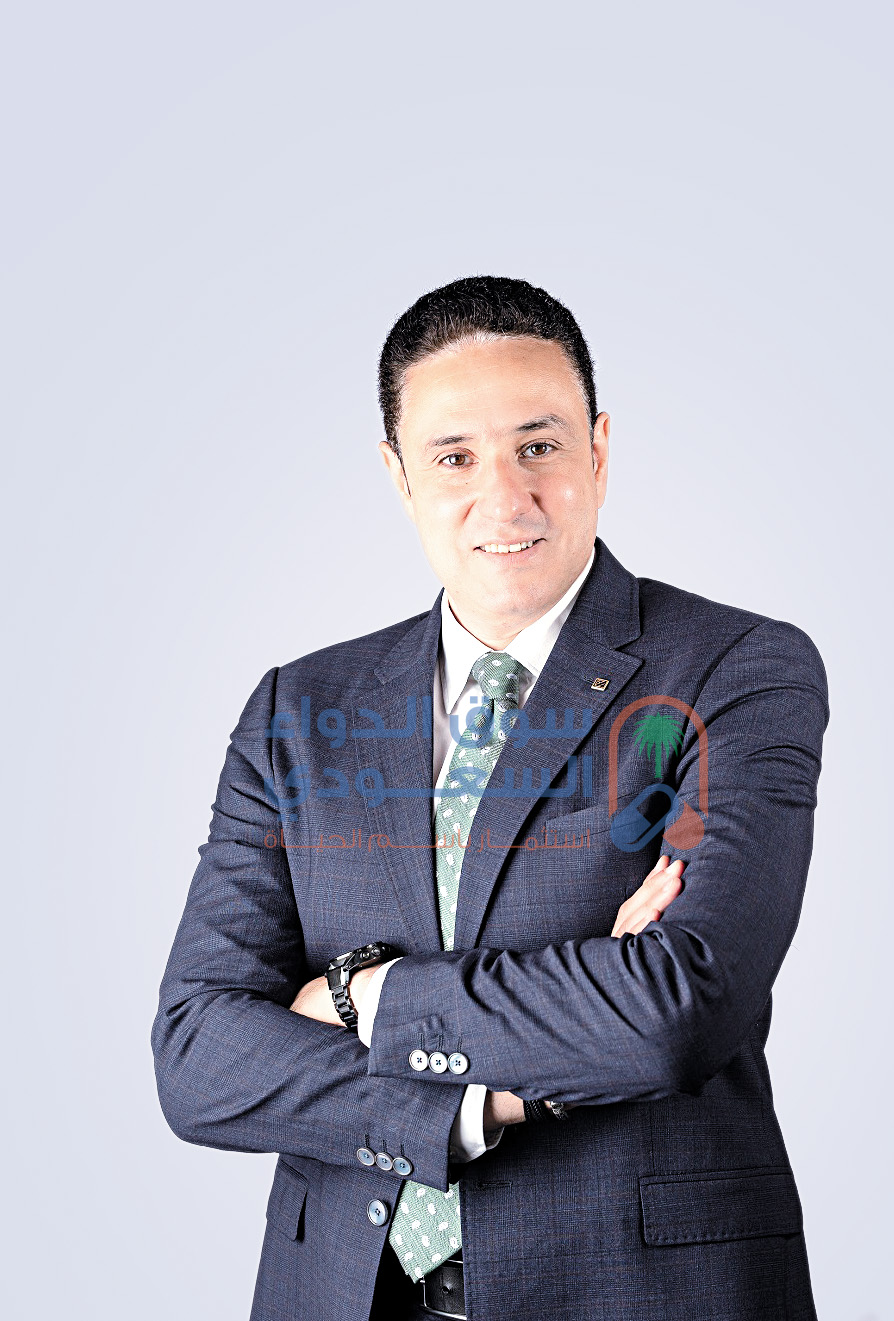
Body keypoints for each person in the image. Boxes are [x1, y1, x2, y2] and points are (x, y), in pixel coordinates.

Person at [153, 276, 829, 1320]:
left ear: (599, 450)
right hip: (343, 1293)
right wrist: (491, 1098)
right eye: (454, 457)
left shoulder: (735, 670)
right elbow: (199, 1054)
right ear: (398, 474)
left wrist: (361, 997)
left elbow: (678, 1008)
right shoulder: (299, 710)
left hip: (641, 1295)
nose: (504, 497)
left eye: (538, 445)